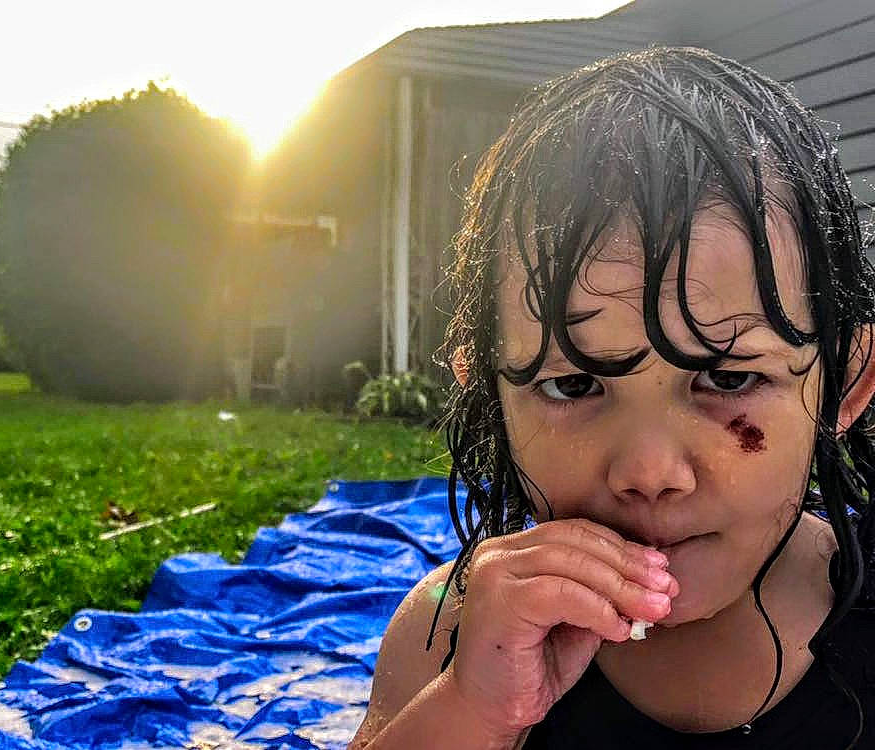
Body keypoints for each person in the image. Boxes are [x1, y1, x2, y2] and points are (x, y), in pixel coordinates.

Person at [349, 46, 875, 749]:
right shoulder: (447, 633)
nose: (650, 473)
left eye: (727, 378)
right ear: (493, 404)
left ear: (845, 380)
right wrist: (473, 711)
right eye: (573, 384)